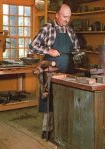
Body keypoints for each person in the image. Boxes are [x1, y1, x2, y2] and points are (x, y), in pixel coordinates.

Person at [29, 3, 80, 140]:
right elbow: (32, 46)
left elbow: (76, 49)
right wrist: (49, 50)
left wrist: (78, 55)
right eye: (64, 17)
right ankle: (47, 130)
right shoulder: (48, 28)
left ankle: (65, 131)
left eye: (69, 17)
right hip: (51, 71)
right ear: (57, 15)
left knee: (67, 100)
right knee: (49, 101)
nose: (66, 20)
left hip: (68, 71)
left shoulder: (70, 30)